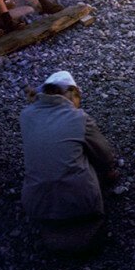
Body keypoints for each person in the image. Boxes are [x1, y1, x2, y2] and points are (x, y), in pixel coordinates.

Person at [19, 70, 116, 249]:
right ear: (72, 93)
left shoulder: (25, 115)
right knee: (86, 153)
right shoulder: (79, 117)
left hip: (35, 205)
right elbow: (105, 154)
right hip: (82, 203)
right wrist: (108, 170)